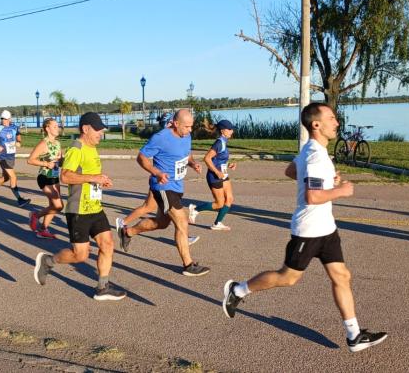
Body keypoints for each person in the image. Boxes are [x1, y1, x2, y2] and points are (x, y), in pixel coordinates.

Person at [221, 103, 387, 353]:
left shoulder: (312, 150)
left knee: (342, 276)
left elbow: (290, 171)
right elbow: (312, 197)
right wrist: (339, 191)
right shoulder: (315, 156)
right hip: (308, 231)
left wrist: (327, 183)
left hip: (326, 229)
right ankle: (238, 290)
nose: (337, 123)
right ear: (316, 124)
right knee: (288, 278)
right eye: (332, 118)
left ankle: (354, 335)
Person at [33, 112, 127, 301]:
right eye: (98, 130)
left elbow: (90, 175)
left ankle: (102, 287)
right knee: (80, 256)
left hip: (94, 207)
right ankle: (48, 261)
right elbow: (65, 176)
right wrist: (93, 178)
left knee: (107, 244)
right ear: (85, 129)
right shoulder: (76, 149)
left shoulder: (92, 147)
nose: (101, 133)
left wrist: (101, 180)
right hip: (78, 210)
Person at [116, 109, 210, 277]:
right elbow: (141, 158)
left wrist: (193, 163)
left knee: (161, 223)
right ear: (175, 123)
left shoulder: (186, 136)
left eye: (191, 126)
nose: (190, 130)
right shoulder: (161, 138)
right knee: (182, 221)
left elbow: (186, 154)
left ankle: (128, 232)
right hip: (163, 186)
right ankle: (188, 265)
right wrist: (156, 172)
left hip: (177, 186)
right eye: (187, 126)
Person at [188, 120, 237, 231]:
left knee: (229, 199)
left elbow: (218, 159)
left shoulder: (224, 141)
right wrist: (217, 172)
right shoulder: (219, 143)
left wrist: (229, 165)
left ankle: (217, 223)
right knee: (219, 204)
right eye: (229, 129)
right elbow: (207, 158)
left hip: (222, 174)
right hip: (214, 176)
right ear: (223, 131)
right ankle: (195, 209)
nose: (232, 131)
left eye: (232, 129)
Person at [0, 110, 30, 207]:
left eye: (5, 119)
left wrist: (19, 142)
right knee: (13, 177)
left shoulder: (14, 127)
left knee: (6, 178)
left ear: (9, 119)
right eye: (2, 119)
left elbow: (18, 136)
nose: (3, 120)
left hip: (11, 156)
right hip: (2, 157)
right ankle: (20, 199)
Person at [27, 118, 64, 239]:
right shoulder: (43, 143)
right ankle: (35, 215)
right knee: (58, 206)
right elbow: (30, 160)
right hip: (44, 177)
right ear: (47, 128)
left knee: (54, 206)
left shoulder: (57, 143)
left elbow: (60, 161)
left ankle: (43, 230)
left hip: (54, 176)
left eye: (57, 126)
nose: (57, 128)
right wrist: (47, 164)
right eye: (54, 126)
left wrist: (63, 159)